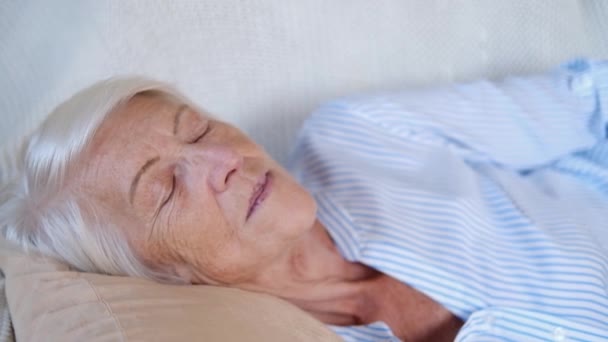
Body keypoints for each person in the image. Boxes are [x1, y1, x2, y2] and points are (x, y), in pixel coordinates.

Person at [1, 59, 607, 342]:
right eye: (166, 189)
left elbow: (589, 100)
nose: (222, 160)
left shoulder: (356, 136)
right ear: (160, 273)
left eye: (199, 129)